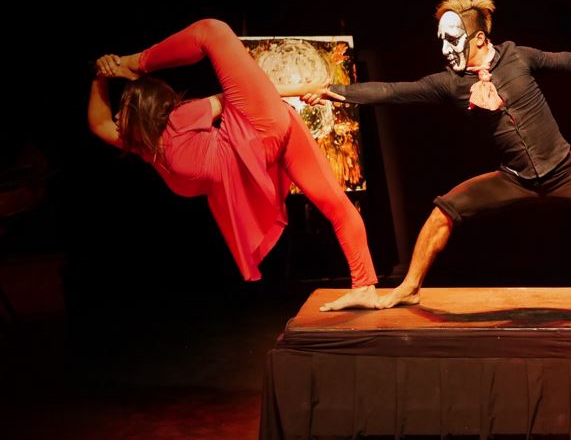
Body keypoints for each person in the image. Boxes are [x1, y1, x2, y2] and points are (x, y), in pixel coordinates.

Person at [305, 0, 571, 311]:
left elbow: (564, 60)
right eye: (441, 41)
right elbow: (393, 91)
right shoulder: (452, 83)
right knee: (441, 213)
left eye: (453, 40)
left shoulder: (517, 57)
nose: (445, 49)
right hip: (513, 179)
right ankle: (409, 289)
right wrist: (335, 92)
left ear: (479, 38)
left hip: (564, 172)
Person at [88, 18, 377, 292]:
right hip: (268, 144)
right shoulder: (144, 149)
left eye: (122, 108)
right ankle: (365, 287)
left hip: (258, 129)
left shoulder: (179, 119)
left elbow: (240, 95)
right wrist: (100, 76)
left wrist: (306, 89)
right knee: (334, 203)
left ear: (141, 112)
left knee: (213, 31)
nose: (115, 115)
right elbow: (98, 124)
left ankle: (136, 62)